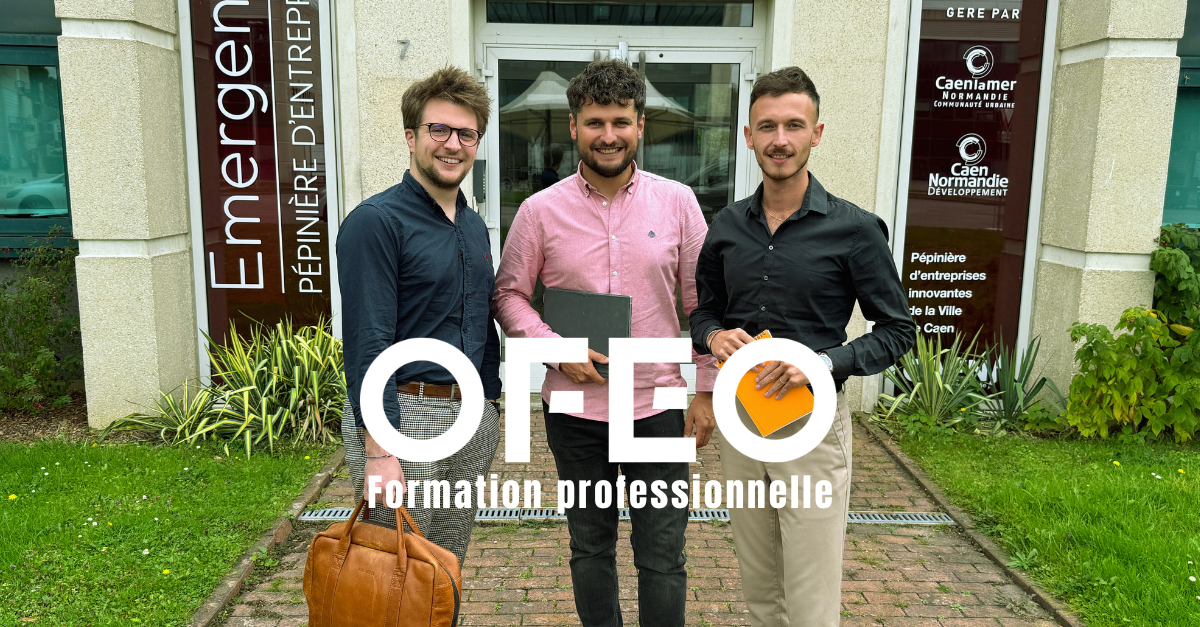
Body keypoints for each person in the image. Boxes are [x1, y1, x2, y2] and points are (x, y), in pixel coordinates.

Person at [493, 59, 719, 627]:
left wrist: (708, 391)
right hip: (575, 411)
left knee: (663, 553)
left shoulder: (678, 203)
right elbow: (509, 295)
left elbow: (703, 305)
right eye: (595, 122)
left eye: (620, 121)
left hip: (657, 407)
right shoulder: (539, 211)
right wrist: (554, 348)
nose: (608, 135)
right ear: (574, 126)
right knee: (590, 546)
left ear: (640, 125)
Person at [689, 66, 916, 627]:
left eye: (794, 125)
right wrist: (713, 336)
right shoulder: (726, 226)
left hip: (811, 422)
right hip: (741, 416)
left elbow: (897, 331)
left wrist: (822, 363)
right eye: (767, 127)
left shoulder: (855, 230)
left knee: (811, 595)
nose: (780, 140)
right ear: (748, 137)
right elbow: (703, 312)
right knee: (760, 583)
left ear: (817, 133)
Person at [336, 66, 501, 566]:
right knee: (392, 571)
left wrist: (490, 405)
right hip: (405, 414)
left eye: (467, 134)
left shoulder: (472, 225)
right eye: (439, 130)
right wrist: (380, 450)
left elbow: (479, 319)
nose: (453, 144)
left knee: (442, 569)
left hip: (469, 417)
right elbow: (367, 341)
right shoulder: (376, 223)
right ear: (411, 137)